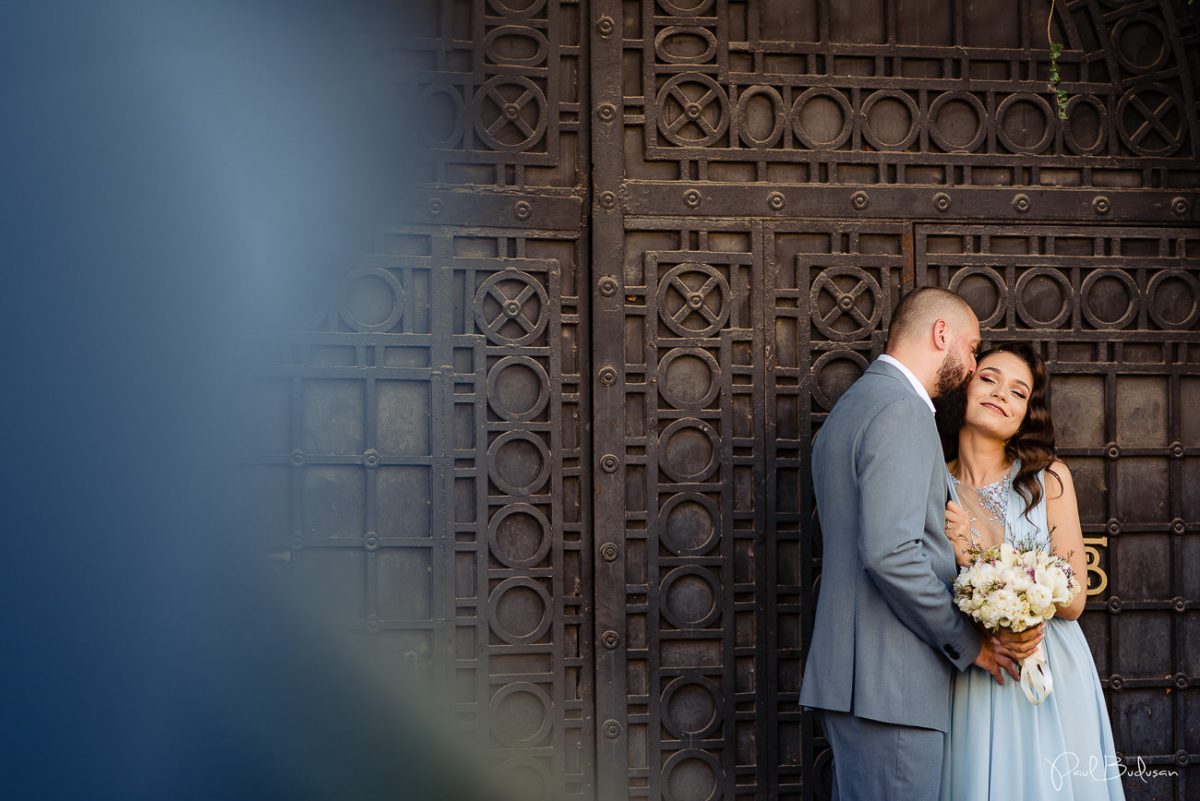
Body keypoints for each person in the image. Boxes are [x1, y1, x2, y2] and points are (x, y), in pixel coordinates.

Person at [800, 287, 1042, 801]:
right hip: (892, 686)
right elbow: (892, 554)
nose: (973, 362)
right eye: (973, 348)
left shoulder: (853, 407)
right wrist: (966, 640)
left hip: (857, 681)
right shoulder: (904, 411)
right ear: (941, 335)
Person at [937, 342, 1125, 800]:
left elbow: (1075, 599)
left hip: (1050, 667)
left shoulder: (1049, 479)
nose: (1002, 393)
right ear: (964, 386)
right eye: (989, 379)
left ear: (1027, 413)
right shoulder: (930, 482)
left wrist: (977, 559)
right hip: (976, 669)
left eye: (1019, 392)